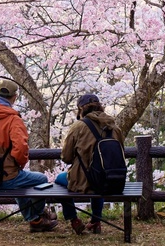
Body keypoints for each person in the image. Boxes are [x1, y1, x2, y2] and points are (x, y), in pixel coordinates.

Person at [0, 79, 57, 232]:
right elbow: (21, 150)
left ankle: (36, 219)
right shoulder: (13, 120)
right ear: (14, 97)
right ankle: (36, 217)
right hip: (2, 179)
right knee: (40, 180)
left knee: (18, 181)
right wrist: (17, 166)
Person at [56, 93, 125, 235]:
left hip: (83, 181)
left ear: (81, 109)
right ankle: (96, 221)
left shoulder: (79, 126)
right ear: (100, 107)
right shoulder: (114, 127)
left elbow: (66, 157)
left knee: (59, 180)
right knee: (100, 180)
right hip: (111, 180)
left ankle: (74, 219)